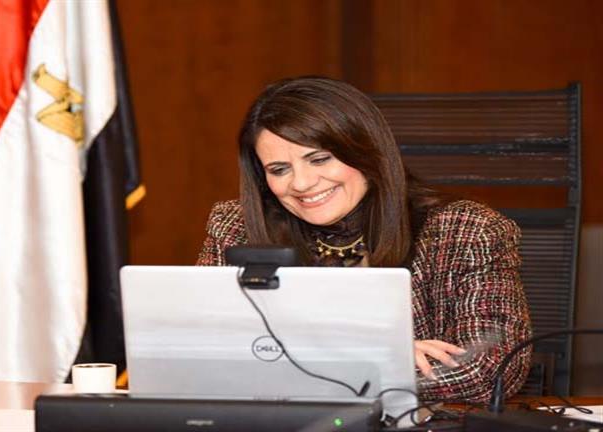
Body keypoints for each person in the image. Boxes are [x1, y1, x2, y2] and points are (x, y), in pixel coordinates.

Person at [196, 77, 532, 402]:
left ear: (365, 150)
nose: (301, 183)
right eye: (279, 169)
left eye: (319, 159)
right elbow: (199, 352)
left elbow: (490, 371)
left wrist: (295, 367)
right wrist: (378, 356)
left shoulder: (466, 229)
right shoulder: (236, 226)